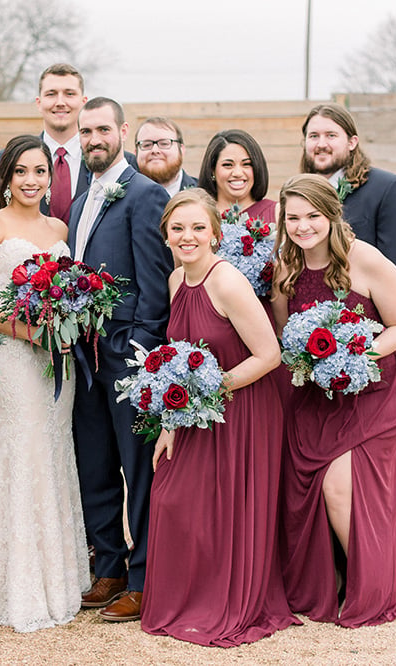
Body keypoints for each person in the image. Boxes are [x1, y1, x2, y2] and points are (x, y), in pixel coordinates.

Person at [139, 189, 299, 646]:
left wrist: (208, 390)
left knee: (223, 505)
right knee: (172, 499)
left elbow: (269, 354)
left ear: (215, 232)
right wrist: (170, 423)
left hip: (243, 408)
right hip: (195, 412)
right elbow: (178, 358)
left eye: (197, 228)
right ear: (166, 234)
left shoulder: (226, 280)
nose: (187, 237)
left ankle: (225, 601)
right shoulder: (175, 281)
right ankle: (189, 599)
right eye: (178, 229)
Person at [271, 174, 396, 627]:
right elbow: (284, 337)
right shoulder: (284, 269)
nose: (303, 226)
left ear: (332, 215)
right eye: (293, 217)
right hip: (319, 396)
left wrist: (352, 351)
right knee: (300, 486)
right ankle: (326, 581)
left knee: (338, 487)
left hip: (376, 391)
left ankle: (373, 586)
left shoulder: (365, 259)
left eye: (312, 216)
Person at [0, 135, 90, 632]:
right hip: (8, 359)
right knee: (16, 451)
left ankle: (54, 577)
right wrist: (29, 330)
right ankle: (3, 584)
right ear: (5, 178)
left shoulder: (59, 226)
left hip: (57, 362)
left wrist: (66, 324)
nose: (32, 181)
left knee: (53, 452)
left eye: (40, 171)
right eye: (21, 172)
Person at [69, 97, 173, 622]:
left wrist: (141, 351)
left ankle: (143, 576)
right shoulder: (77, 200)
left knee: (139, 470)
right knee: (94, 466)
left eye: (103, 129)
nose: (94, 139)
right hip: (82, 359)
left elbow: (154, 285)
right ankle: (108, 564)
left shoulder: (146, 195)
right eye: (86, 131)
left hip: (126, 358)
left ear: (123, 132)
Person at [300, 103, 396, 362]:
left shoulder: (388, 189)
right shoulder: (301, 195)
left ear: (352, 142)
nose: (321, 144)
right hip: (314, 347)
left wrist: (369, 343)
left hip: (372, 343)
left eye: (331, 135)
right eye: (313, 136)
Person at [0, 63, 139, 224]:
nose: (60, 102)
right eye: (51, 94)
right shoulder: (5, 159)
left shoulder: (123, 163)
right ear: (39, 103)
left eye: (69, 94)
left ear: (83, 102)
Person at [198, 129, 278, 225]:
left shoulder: (277, 213)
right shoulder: (197, 213)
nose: (237, 173)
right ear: (212, 170)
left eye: (246, 164)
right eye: (228, 165)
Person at [134, 117, 198, 197]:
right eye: (146, 145)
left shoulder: (205, 194)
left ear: (181, 150)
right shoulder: (124, 197)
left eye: (164, 144)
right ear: (136, 153)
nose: (155, 150)